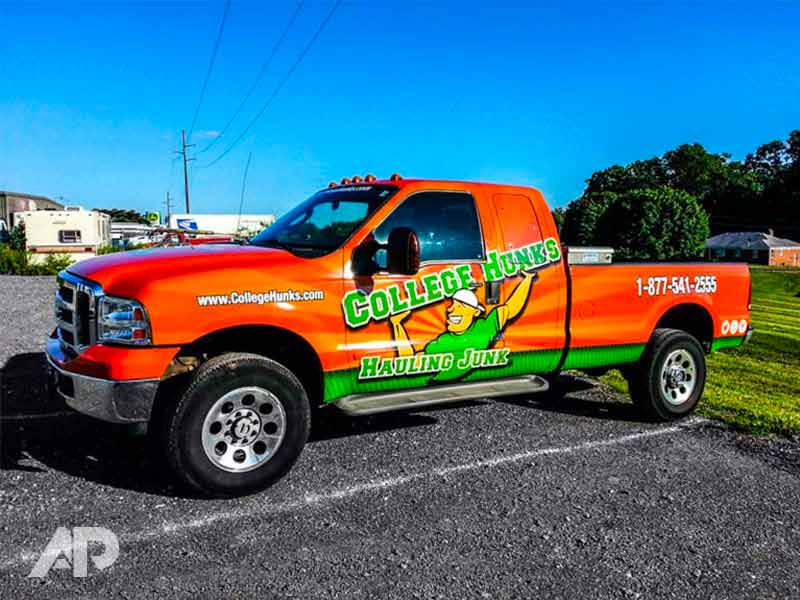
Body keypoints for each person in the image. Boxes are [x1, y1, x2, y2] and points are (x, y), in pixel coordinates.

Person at [389, 270, 539, 382]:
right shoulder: (442, 341)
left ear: (475, 312)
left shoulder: (484, 327)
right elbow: (410, 361)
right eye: (452, 305)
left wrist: (527, 279)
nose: (450, 310)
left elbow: (510, 308)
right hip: (436, 381)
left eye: (460, 306)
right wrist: (397, 324)